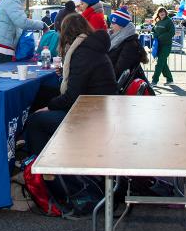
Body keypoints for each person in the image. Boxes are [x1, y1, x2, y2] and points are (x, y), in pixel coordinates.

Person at [23, 13, 117, 155]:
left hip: (89, 115)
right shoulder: (89, 48)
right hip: (97, 107)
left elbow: (72, 96)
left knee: (34, 120)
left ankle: (40, 169)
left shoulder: (82, 53)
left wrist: (49, 107)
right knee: (42, 94)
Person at [107, 6, 147, 79]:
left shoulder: (130, 44)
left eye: (113, 23)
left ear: (121, 25)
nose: (110, 26)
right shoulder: (115, 38)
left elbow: (119, 70)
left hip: (117, 84)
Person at [151, 7, 175, 85]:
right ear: (158, 13)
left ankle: (154, 81)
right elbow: (153, 31)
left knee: (160, 63)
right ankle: (170, 80)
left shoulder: (169, 21)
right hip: (158, 46)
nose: (162, 13)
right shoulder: (158, 22)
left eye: (163, 11)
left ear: (166, 13)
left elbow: (172, 33)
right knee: (163, 63)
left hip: (166, 46)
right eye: (160, 12)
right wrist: (154, 35)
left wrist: (160, 37)